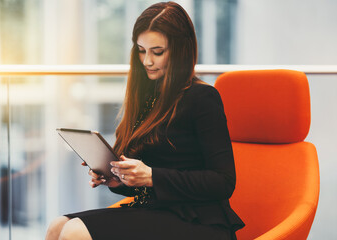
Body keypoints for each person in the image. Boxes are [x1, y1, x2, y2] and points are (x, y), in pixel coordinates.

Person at [45, 1, 244, 240]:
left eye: (157, 52)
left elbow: (223, 182)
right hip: (154, 211)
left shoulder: (203, 98)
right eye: (141, 50)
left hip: (198, 221)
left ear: (180, 50)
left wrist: (152, 176)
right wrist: (119, 181)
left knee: (74, 232)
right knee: (57, 226)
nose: (147, 61)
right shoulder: (147, 98)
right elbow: (146, 180)